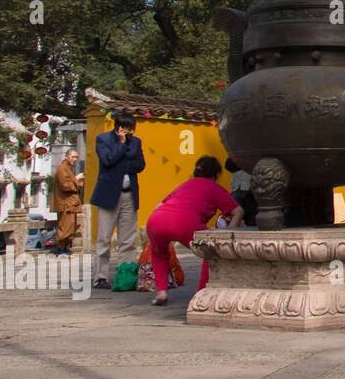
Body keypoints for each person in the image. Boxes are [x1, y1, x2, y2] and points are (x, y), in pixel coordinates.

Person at [145, 156, 242, 307]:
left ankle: (161, 294)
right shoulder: (213, 187)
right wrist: (228, 235)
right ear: (216, 174)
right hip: (184, 222)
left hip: (156, 219)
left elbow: (160, 204)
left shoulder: (185, 185)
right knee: (208, 251)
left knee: (158, 253)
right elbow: (237, 211)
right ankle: (200, 293)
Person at [89, 113, 145, 289]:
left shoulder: (136, 142)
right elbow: (107, 160)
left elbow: (140, 165)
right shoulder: (103, 140)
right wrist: (121, 145)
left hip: (129, 194)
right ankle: (100, 277)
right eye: (128, 130)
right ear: (119, 128)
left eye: (133, 130)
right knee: (104, 238)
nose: (131, 133)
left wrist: (120, 164)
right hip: (108, 194)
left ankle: (126, 275)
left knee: (128, 239)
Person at [50, 149, 84, 256]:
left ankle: (65, 247)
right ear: (66, 156)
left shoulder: (67, 168)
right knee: (64, 226)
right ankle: (60, 249)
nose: (75, 159)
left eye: (76, 157)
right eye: (73, 157)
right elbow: (65, 185)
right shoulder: (62, 168)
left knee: (70, 226)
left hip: (70, 203)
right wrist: (77, 180)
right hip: (65, 203)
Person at [224, 157, 258, 227]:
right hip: (237, 189)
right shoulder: (237, 149)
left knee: (252, 221)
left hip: (252, 189)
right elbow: (229, 166)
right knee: (235, 217)